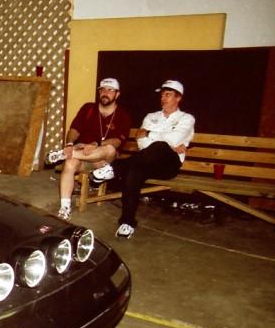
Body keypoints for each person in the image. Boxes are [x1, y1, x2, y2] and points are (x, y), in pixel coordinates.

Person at [112, 79, 195, 239]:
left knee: (160, 146)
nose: (163, 98)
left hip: (169, 165)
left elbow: (174, 137)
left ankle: (115, 166)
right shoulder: (151, 116)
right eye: (162, 95)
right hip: (146, 161)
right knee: (133, 172)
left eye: (168, 95)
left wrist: (152, 135)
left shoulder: (187, 118)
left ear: (178, 98)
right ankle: (127, 223)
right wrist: (169, 141)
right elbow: (141, 142)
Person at [45, 78, 131, 220]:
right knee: (70, 163)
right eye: (102, 89)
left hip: (103, 163)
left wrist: (95, 144)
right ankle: (64, 207)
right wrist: (69, 144)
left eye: (110, 90)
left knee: (109, 149)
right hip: (83, 156)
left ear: (117, 94)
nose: (105, 93)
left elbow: (116, 142)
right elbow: (74, 130)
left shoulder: (123, 116)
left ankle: (68, 154)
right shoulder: (88, 109)